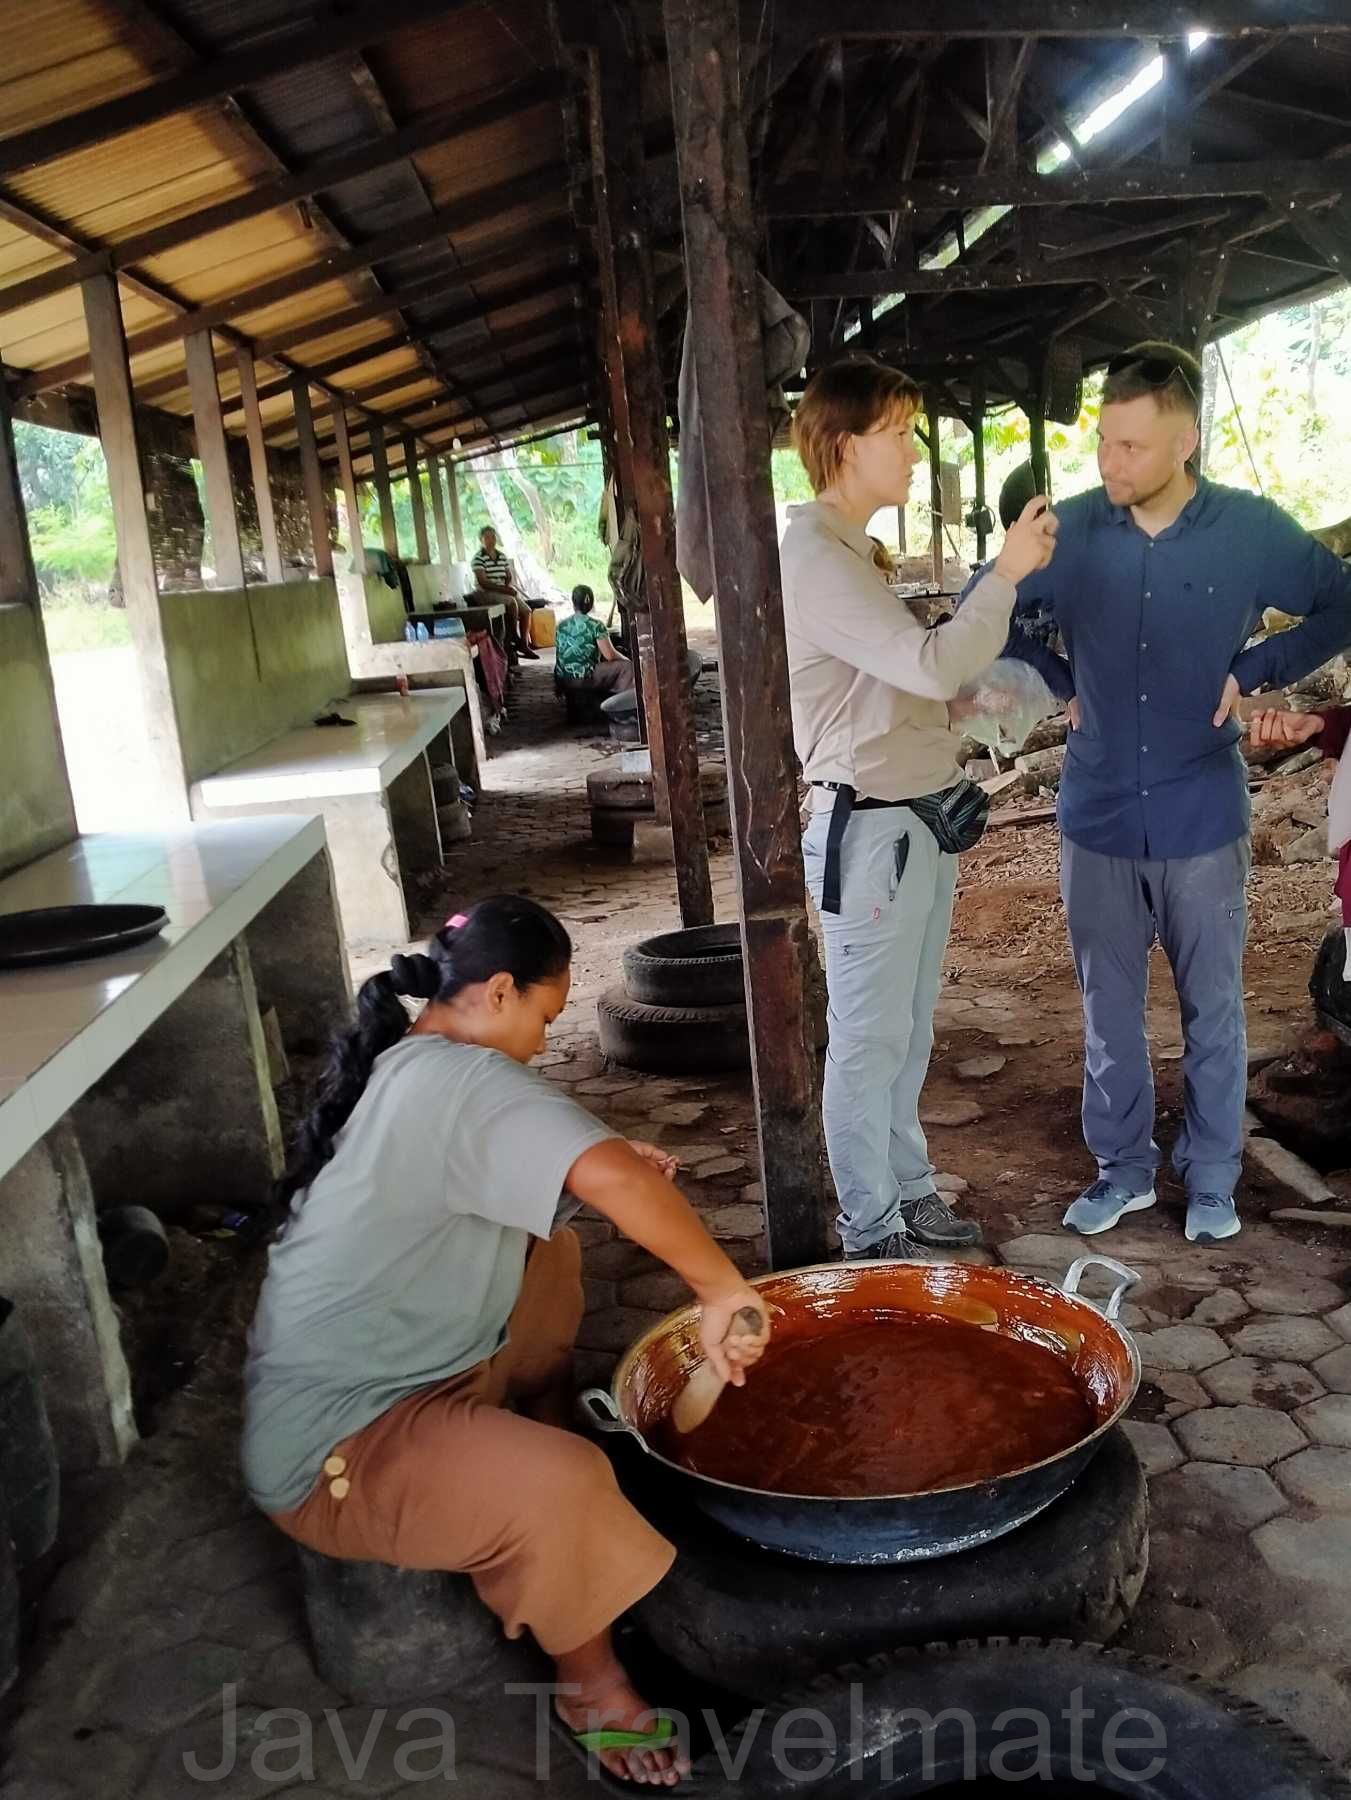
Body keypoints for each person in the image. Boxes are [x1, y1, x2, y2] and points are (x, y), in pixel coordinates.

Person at [241, 897, 768, 1787]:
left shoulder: (422, 1062)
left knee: (550, 1250)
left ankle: (542, 1423)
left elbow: (560, 1165)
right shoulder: (461, 1081)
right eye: (546, 1016)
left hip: (421, 1371)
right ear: (495, 992)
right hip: (335, 1447)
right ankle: (591, 1690)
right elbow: (591, 1171)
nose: (542, 1038)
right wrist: (722, 1289)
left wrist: (606, 1154)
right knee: (568, 1486)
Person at [1002, 340, 1351, 1245]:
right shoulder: (1068, 529)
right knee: (1109, 1014)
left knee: (1213, 1011)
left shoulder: (1248, 529)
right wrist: (1053, 676)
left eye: (1130, 447)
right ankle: (1120, 1170)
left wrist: (1260, 666)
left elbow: (1340, 600)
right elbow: (988, 607)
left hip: (1202, 811)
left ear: (1185, 441)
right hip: (1097, 812)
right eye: (1103, 445)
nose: (1108, 464)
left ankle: (1210, 1177)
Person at [781, 356, 1058, 1261]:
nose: (912, 449)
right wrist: (1004, 575)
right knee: (865, 1041)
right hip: (868, 830)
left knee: (905, 1029)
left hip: (910, 819)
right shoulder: (816, 559)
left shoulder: (851, 555)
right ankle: (869, 1231)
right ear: (841, 444)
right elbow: (931, 663)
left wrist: (979, 706)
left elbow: (907, 692)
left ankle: (906, 1190)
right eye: (897, 432)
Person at [555, 583, 635, 700]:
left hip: (565, 679)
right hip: (584, 678)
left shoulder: (561, 626)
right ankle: (620, 704)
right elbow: (610, 655)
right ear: (591, 603)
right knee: (627, 667)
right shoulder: (595, 625)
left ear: (573, 602)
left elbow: (560, 656)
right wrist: (626, 659)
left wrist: (558, 684)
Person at [471, 526, 539, 660]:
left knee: (526, 611)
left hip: (501, 591)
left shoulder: (501, 556)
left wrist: (508, 584)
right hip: (485, 593)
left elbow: (508, 575)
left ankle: (524, 644)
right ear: (481, 540)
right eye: (487, 537)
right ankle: (514, 636)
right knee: (511, 602)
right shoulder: (478, 558)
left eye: (493, 537)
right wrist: (505, 589)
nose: (491, 540)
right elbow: (483, 582)